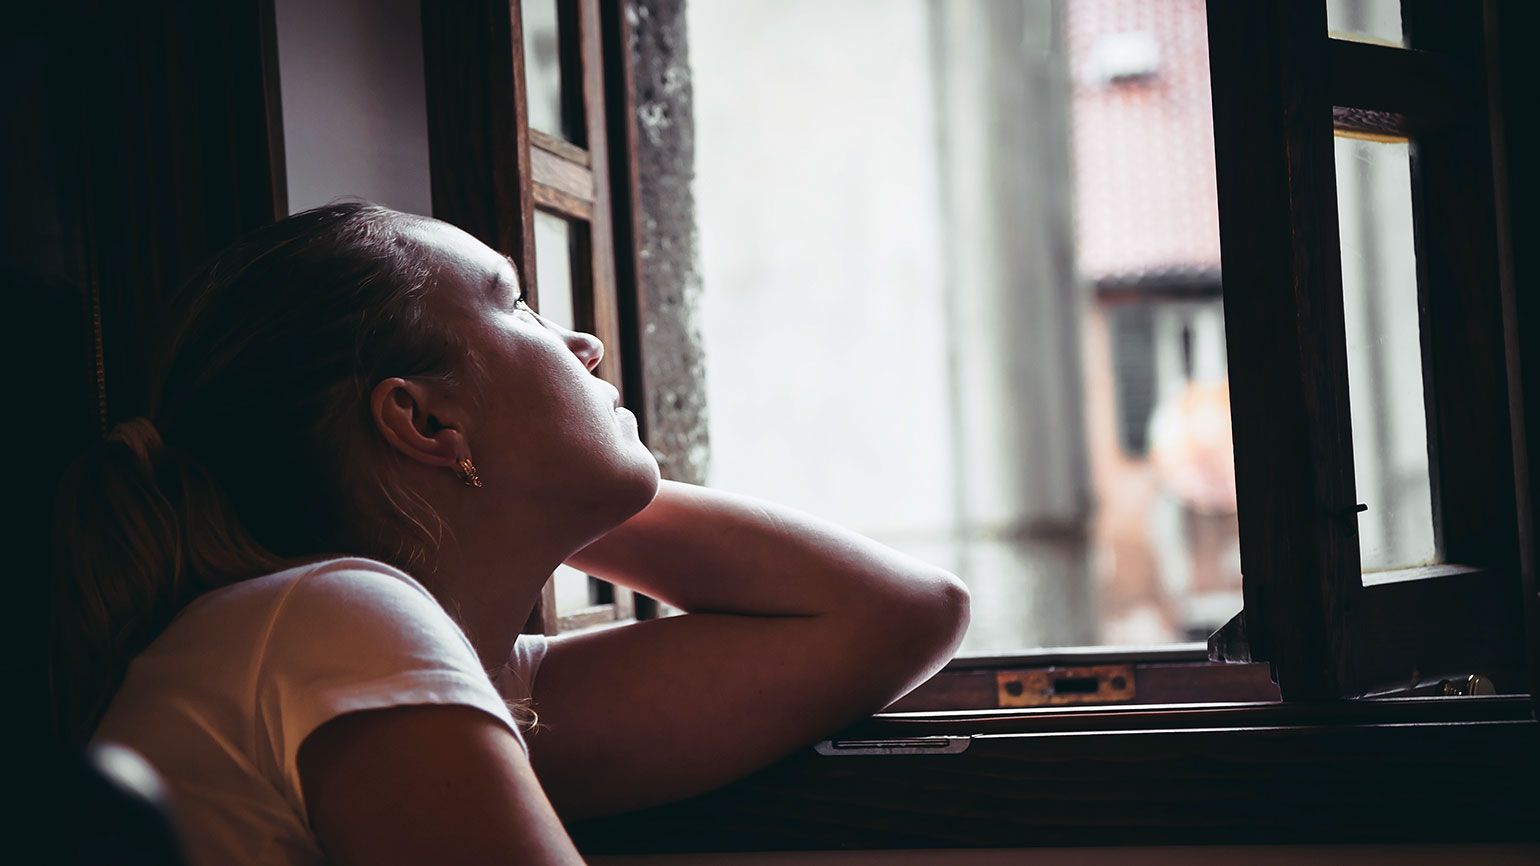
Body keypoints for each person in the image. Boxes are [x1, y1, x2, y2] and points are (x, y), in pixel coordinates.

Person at [49, 202, 971, 865]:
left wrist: (532, 491)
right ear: (425, 423)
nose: (585, 346)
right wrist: (537, 486)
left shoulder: (425, 662)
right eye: (518, 304)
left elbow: (901, 612)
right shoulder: (338, 624)